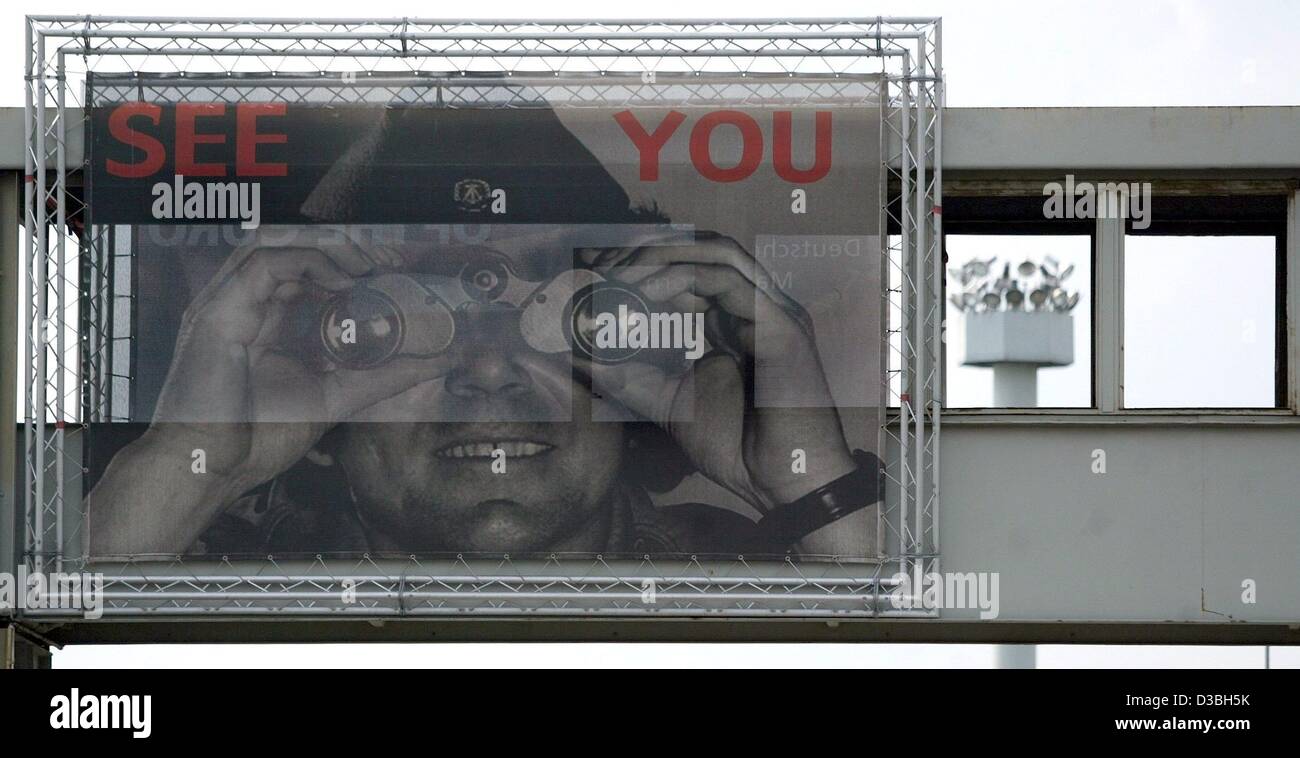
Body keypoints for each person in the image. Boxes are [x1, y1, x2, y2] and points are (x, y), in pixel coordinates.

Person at [87, 98, 879, 559]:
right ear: (308, 362)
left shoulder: (742, 570)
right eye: (393, 319)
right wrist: (193, 472)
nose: (492, 372)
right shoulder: (217, 583)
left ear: (637, 341)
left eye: (566, 316)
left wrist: (804, 489)